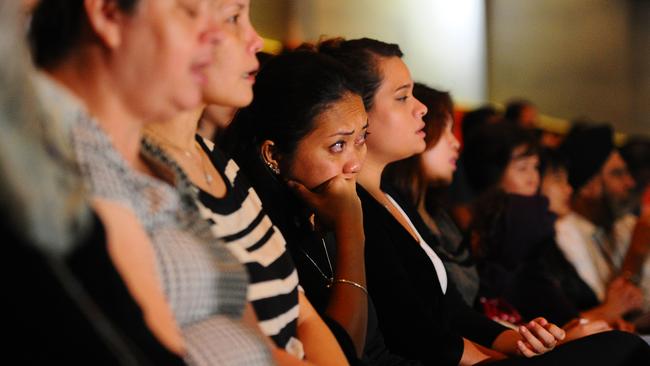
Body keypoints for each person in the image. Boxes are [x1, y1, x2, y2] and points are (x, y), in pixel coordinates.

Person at [319, 37, 599, 365]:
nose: (420, 107)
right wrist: (498, 358)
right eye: (402, 97)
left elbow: (452, 311)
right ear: (357, 112)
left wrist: (518, 338)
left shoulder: (393, 198)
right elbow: (415, 333)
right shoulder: (356, 206)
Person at [28, 0, 273, 364]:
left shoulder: (153, 163)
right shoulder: (65, 162)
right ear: (109, 14)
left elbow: (243, 317)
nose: (213, 36)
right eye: (190, 12)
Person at [143, 3, 348, 364]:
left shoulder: (219, 163)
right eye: (234, 18)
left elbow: (304, 314)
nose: (255, 40)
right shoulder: (139, 172)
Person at [224, 47, 424, 365]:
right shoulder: (260, 232)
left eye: (361, 139)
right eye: (337, 145)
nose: (355, 163)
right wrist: (351, 231)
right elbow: (346, 352)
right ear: (273, 156)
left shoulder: (322, 211)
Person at [556, 124, 642, 303]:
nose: (630, 183)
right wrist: (637, 251)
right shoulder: (566, 232)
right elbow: (608, 309)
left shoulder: (621, 222)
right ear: (588, 187)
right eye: (617, 174)